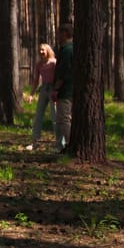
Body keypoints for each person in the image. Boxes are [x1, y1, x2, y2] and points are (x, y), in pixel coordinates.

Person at [25, 43, 57, 151]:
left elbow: (58, 77)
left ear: (48, 50)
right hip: (44, 89)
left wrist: (57, 91)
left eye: (43, 50)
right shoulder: (39, 64)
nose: (41, 52)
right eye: (40, 50)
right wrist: (31, 94)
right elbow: (35, 80)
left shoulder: (54, 63)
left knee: (55, 116)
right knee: (38, 116)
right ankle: (35, 142)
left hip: (53, 89)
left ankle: (59, 143)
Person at [51, 24, 74, 153]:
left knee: (64, 119)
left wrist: (56, 89)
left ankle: (69, 144)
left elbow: (63, 72)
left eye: (59, 34)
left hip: (65, 91)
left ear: (64, 34)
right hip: (72, 90)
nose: (58, 37)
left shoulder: (66, 50)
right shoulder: (74, 48)